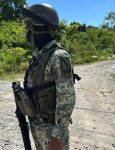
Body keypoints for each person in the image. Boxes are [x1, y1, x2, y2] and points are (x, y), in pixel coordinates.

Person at [21, 3, 76, 150]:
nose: (26, 32)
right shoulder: (40, 56)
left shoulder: (58, 56)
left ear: (35, 27)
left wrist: (57, 136)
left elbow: (67, 100)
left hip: (52, 131)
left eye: (27, 27)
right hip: (38, 126)